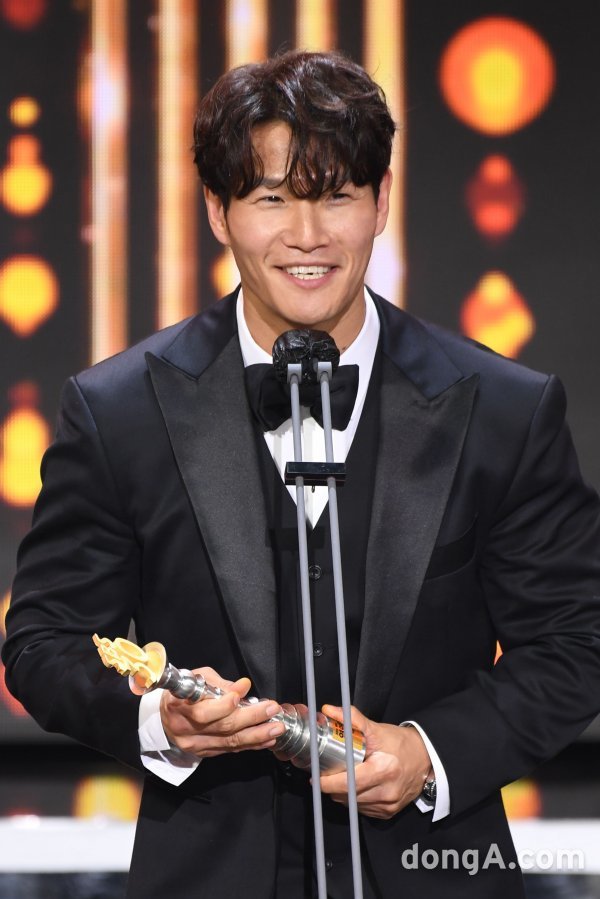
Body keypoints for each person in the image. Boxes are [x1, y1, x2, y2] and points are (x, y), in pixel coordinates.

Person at [3, 50, 600, 899]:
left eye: (337, 196)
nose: (308, 237)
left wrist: (428, 753)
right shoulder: (119, 412)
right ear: (218, 210)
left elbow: (576, 640)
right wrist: (158, 719)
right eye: (272, 199)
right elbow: (43, 640)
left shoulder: (504, 408)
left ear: (382, 200)